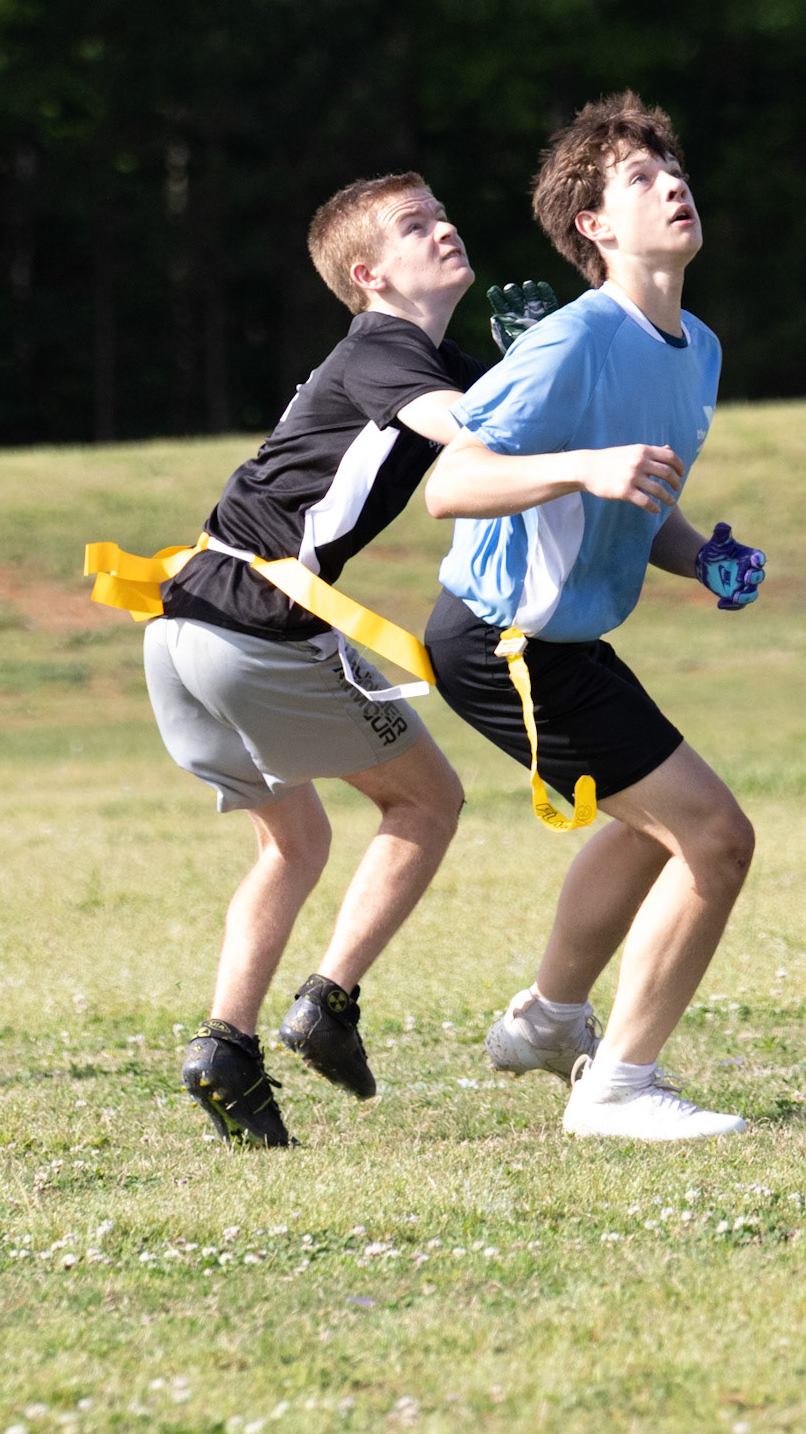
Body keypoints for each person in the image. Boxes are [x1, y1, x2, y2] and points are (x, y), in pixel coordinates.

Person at [423, 94, 766, 1142]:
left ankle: (545, 1021)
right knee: (714, 838)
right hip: (501, 642)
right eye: (638, 177)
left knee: (655, 830)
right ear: (593, 226)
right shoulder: (571, 340)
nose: (672, 184)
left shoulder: (695, 348)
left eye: (672, 167)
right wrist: (585, 464)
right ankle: (615, 1088)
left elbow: (635, 501)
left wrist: (700, 555)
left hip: (564, 643)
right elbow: (450, 483)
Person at [143, 172, 483, 1149]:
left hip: (180, 625)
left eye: (441, 212)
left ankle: (224, 1046)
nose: (443, 228)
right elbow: (468, 428)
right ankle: (327, 1004)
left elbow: (496, 401)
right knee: (426, 802)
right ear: (369, 275)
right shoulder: (383, 347)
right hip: (255, 629)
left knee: (291, 843)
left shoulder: (422, 356)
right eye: (415, 224)